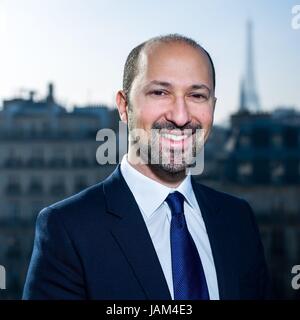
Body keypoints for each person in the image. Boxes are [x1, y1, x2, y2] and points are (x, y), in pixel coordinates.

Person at [23, 34, 271, 300]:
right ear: (123, 106)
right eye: (160, 92)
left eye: (197, 95)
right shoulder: (67, 229)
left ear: (213, 106)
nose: (180, 116)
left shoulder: (238, 218)